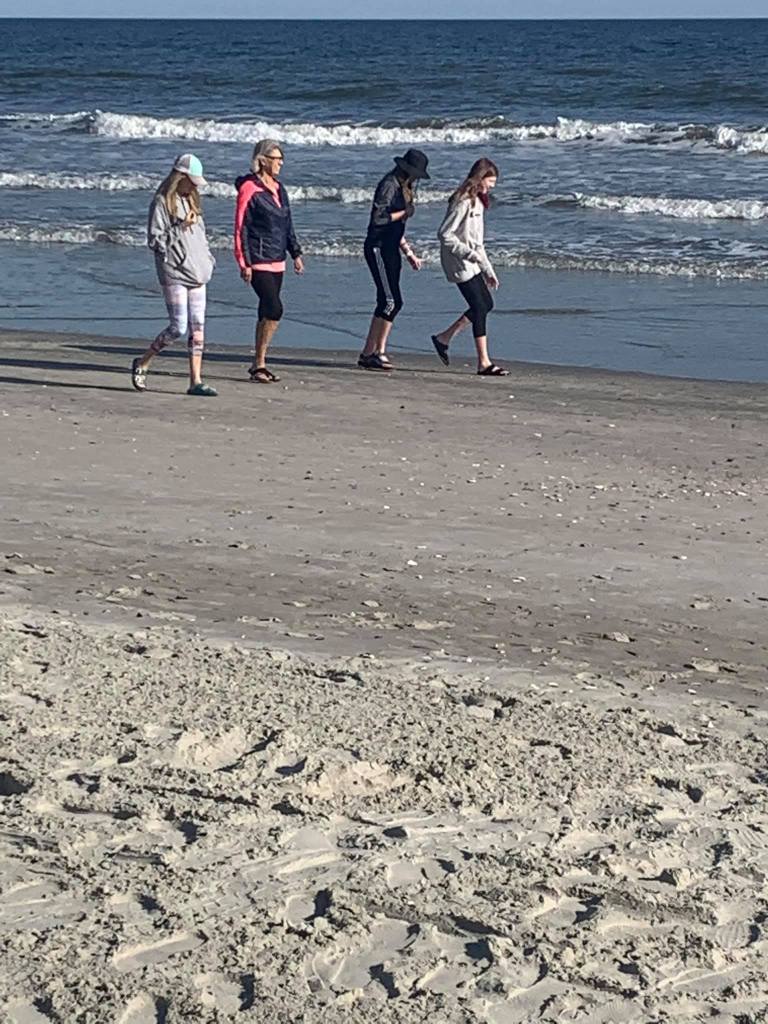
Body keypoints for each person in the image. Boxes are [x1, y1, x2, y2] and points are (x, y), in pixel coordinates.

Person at [132, 154, 217, 396]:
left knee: (198, 327)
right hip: (174, 272)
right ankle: (143, 361)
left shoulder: (191, 200)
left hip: (197, 271)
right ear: (180, 177)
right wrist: (180, 227)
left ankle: (195, 380)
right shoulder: (162, 202)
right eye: (191, 181)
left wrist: (208, 260)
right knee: (178, 326)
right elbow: (155, 241)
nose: (194, 187)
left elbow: (201, 236)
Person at [234, 139, 304, 383]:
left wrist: (296, 253)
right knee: (275, 308)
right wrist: (244, 262)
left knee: (266, 310)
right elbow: (240, 228)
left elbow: (287, 223)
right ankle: (259, 364)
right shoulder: (249, 188)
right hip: (258, 258)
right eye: (276, 159)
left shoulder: (279, 188)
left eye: (282, 159)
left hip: (278, 258)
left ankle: (259, 364)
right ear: (263, 160)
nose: (280, 163)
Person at [431, 158, 509, 376]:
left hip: (472, 261)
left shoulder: (478, 202)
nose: (492, 186)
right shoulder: (462, 201)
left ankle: (443, 338)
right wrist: (469, 254)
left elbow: (478, 243)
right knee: (480, 306)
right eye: (490, 181)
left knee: (486, 304)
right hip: (458, 262)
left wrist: (488, 271)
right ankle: (483, 362)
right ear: (480, 178)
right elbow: (444, 234)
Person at [358, 148, 429, 371]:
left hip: (391, 248)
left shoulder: (403, 188)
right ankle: (378, 351)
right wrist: (404, 213)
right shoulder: (389, 185)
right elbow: (379, 218)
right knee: (392, 301)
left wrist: (408, 253)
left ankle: (368, 353)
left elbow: (397, 229)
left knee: (385, 300)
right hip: (378, 246)